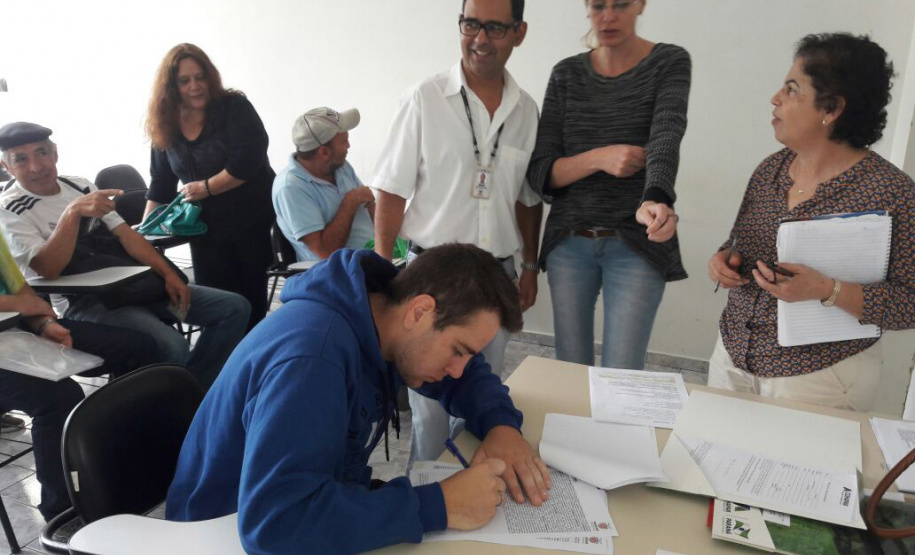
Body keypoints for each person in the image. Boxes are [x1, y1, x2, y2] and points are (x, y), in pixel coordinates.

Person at [166, 244, 552, 554]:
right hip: (222, 532)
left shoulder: (382, 318)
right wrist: (438, 505)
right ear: (421, 311)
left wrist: (501, 425)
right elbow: (276, 524)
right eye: (458, 350)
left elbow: (467, 379)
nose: (458, 369)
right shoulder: (312, 359)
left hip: (304, 504)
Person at [372, 0, 543, 464]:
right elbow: (389, 191)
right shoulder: (425, 98)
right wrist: (384, 268)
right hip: (433, 277)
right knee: (429, 410)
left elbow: (528, 199)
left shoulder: (526, 110)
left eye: (494, 28)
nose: (480, 39)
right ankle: (424, 500)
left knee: (480, 397)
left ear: (519, 33)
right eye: (470, 24)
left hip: (497, 278)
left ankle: (466, 495)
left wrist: (529, 266)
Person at [707, 33, 915, 411]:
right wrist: (724, 261)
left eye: (792, 89)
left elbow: (910, 303)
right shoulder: (770, 170)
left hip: (820, 377)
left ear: (832, 108)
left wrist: (826, 289)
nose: (775, 98)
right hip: (734, 355)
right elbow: (739, 244)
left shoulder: (893, 193)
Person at [0, 122, 250, 391]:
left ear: (54, 154)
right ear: (7, 166)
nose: (36, 167)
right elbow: (48, 269)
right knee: (171, 344)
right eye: (21, 160)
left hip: (130, 285)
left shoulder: (80, 185)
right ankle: (179, 405)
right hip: (83, 303)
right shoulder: (9, 206)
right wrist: (71, 214)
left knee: (233, 308)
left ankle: (196, 392)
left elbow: (126, 235)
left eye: (42, 153)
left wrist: (168, 274)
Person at [527, 0, 690, 370]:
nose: (608, 15)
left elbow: (667, 134)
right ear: (586, 7)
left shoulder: (668, 61)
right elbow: (542, 173)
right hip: (568, 242)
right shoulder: (566, 74)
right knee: (570, 370)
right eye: (598, 5)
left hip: (635, 242)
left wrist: (657, 197)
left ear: (641, 5)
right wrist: (601, 157)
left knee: (623, 376)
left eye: (620, 4)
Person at [0, 230, 157, 521]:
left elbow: (20, 290)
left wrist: (43, 321)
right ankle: (63, 513)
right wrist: (19, 306)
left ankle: (126, 459)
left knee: (138, 348)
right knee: (58, 398)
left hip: (15, 332)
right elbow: (20, 300)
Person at [145, 43, 275, 330]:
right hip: (205, 231)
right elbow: (160, 184)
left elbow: (248, 161)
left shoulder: (234, 106)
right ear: (171, 85)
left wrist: (205, 188)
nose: (195, 86)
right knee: (220, 310)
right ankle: (222, 372)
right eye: (185, 80)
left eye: (200, 77)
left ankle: (251, 369)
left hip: (251, 221)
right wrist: (143, 236)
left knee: (251, 310)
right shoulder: (164, 122)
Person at [272, 107, 375, 261]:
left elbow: (370, 205)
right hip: (340, 274)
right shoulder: (290, 188)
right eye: (344, 141)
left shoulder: (340, 166)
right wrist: (350, 202)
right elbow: (326, 253)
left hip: (373, 260)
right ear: (324, 152)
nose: (349, 146)